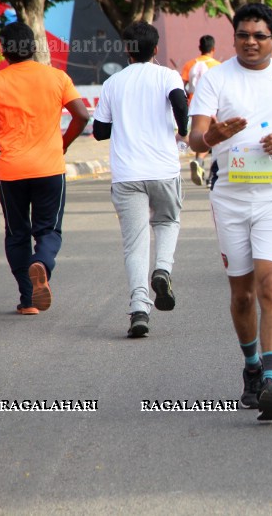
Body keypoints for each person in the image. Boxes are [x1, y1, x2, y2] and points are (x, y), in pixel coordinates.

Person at [188, 3, 272, 422]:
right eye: (244, 35)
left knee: (271, 286)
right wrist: (214, 134)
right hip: (229, 196)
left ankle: (271, 381)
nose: (251, 42)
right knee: (242, 294)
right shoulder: (216, 78)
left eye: (260, 35)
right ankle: (251, 366)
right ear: (234, 37)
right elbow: (195, 140)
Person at [0, 22, 89, 315]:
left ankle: (28, 300)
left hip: (12, 170)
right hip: (50, 168)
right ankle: (41, 261)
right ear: (35, 47)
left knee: (17, 233)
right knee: (49, 229)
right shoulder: (57, 77)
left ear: (4, 50)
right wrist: (63, 143)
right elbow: (81, 115)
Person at [92, 22, 187, 337]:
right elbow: (179, 103)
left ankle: (139, 310)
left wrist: (124, 117)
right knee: (167, 221)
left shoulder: (113, 83)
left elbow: (100, 131)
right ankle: (162, 269)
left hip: (126, 174)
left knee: (134, 244)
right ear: (156, 49)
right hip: (163, 170)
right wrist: (184, 130)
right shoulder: (167, 76)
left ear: (126, 50)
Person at [181, 35, 220, 186]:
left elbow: (182, 84)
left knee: (199, 134)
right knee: (214, 138)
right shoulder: (218, 65)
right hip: (213, 107)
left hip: (194, 106)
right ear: (213, 49)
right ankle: (211, 174)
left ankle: (199, 162)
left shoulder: (190, 64)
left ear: (200, 48)